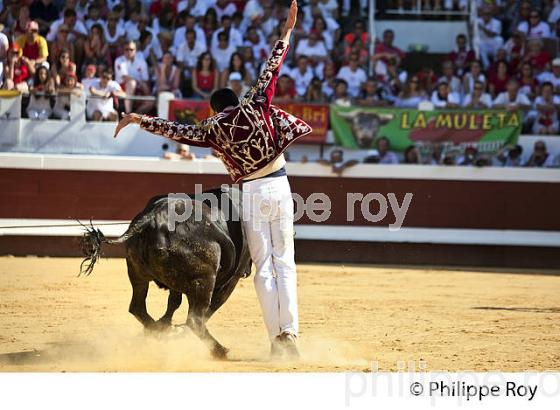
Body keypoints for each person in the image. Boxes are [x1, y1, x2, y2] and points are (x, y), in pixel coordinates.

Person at [114, 1, 309, 359]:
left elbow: (176, 130)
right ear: (237, 100)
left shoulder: (213, 129)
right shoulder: (257, 105)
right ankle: (290, 333)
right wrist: (287, 31)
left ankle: (275, 341)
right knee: (285, 262)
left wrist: (138, 118)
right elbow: (272, 66)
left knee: (263, 266)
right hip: (279, 185)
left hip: (249, 191)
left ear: (216, 109)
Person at [114, 40, 152, 114]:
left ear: (136, 50)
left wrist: (145, 88)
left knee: (151, 100)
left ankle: (134, 116)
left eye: (131, 49)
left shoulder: (142, 62)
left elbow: (146, 80)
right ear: (123, 50)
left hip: (138, 88)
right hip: (121, 88)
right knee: (132, 83)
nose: (129, 51)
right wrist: (139, 82)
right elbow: (125, 78)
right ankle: (128, 113)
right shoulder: (119, 60)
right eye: (126, 49)